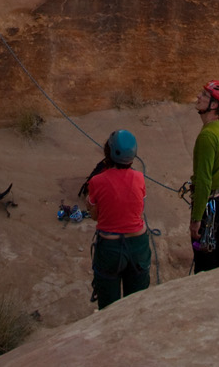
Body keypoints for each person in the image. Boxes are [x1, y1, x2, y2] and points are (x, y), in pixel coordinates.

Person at [85, 129, 151, 309]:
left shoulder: (96, 182)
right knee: (137, 302)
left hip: (110, 246)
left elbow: (95, 215)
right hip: (138, 243)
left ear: (109, 152)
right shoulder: (139, 178)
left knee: (108, 305)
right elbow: (139, 209)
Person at [190, 79, 219, 273]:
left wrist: (196, 219)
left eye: (205, 96)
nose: (199, 97)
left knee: (204, 261)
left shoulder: (207, 136)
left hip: (209, 207)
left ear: (214, 105)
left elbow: (204, 181)